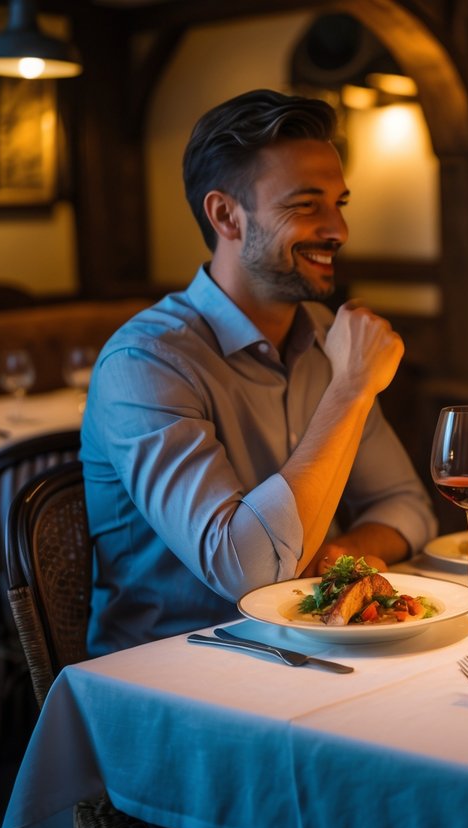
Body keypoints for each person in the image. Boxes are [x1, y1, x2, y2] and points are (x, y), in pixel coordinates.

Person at [81, 89, 437, 656]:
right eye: (305, 205)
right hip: (175, 673)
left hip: (311, 650)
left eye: (340, 202)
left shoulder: (326, 335)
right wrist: (350, 388)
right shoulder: (145, 362)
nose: (339, 229)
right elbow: (247, 571)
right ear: (225, 215)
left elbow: (408, 507)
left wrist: (336, 563)